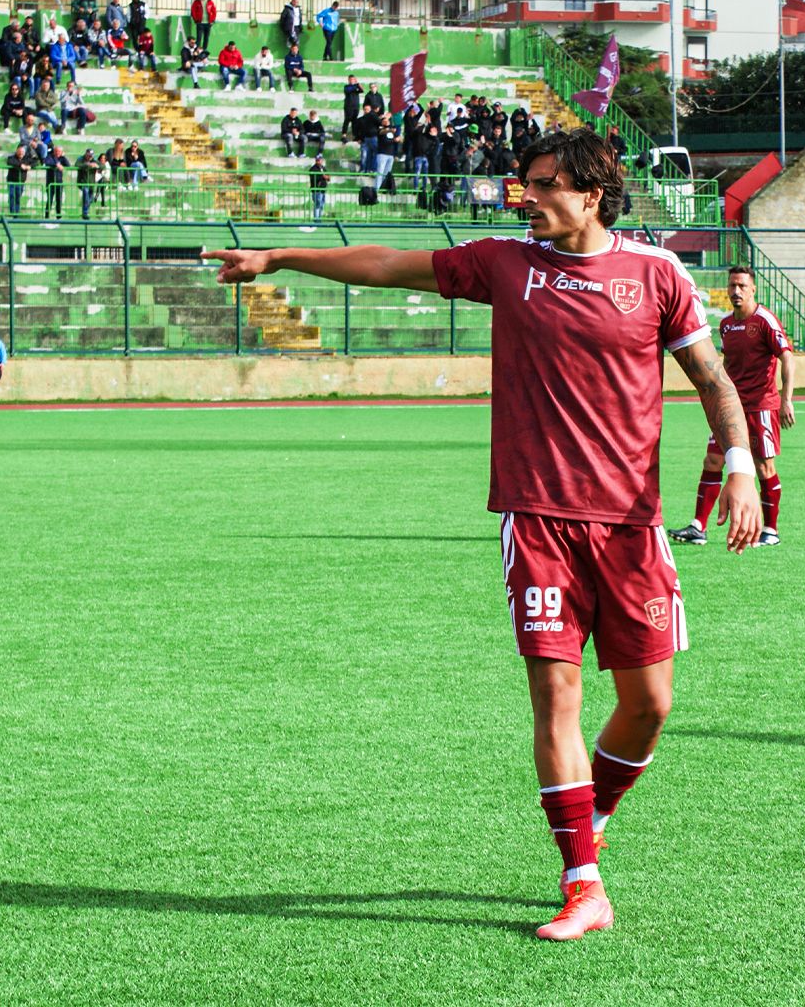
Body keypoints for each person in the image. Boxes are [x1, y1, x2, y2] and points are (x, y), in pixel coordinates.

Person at [203, 129, 761, 941]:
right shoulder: (505, 264)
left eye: (541, 185)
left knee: (648, 707)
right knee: (558, 698)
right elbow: (390, 266)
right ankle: (583, 884)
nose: (525, 197)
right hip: (535, 518)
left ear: (590, 193)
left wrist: (740, 465)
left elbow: (711, 380)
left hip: (633, 526)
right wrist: (284, 257)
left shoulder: (656, 275)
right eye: (524, 184)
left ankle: (591, 812)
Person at [669, 265, 794, 548]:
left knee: (764, 467)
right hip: (730, 410)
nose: (735, 291)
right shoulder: (726, 325)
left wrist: (786, 399)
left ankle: (771, 531)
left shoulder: (765, 320)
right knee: (712, 461)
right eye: (732, 286)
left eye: (741, 286)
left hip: (761, 405)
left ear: (753, 290)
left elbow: (787, 357)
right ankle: (698, 526)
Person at [6, 144, 34, 215]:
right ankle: (13, 213)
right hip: (11, 180)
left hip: (21, 181)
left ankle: (16, 213)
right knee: (12, 196)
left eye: (22, 152)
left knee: (18, 197)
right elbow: (10, 162)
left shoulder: (26, 159)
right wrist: (20, 165)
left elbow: (36, 162)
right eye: (20, 152)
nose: (21, 153)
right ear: (17, 151)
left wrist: (30, 166)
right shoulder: (12, 157)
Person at [43, 144, 70, 218]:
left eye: (59, 151)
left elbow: (68, 165)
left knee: (59, 199)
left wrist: (63, 156)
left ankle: (58, 215)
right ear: (54, 151)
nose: (58, 153)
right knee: (50, 200)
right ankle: (47, 215)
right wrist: (56, 164)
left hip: (59, 182)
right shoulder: (49, 156)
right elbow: (47, 162)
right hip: (50, 182)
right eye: (56, 151)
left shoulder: (62, 158)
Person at [76, 148, 100, 219]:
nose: (90, 157)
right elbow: (77, 165)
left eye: (91, 155)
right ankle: (85, 213)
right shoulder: (81, 159)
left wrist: (97, 165)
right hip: (83, 181)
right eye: (89, 155)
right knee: (86, 193)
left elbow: (102, 166)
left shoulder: (94, 160)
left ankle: (85, 209)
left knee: (91, 198)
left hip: (92, 183)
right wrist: (88, 165)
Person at [308, 152, 329, 221]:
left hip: (323, 190)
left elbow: (328, 177)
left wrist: (325, 177)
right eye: (317, 159)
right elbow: (316, 177)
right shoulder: (313, 168)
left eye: (320, 159)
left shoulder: (323, 168)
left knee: (322, 205)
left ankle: (319, 219)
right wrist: (323, 176)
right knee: (317, 204)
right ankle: (316, 219)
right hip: (316, 190)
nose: (319, 161)